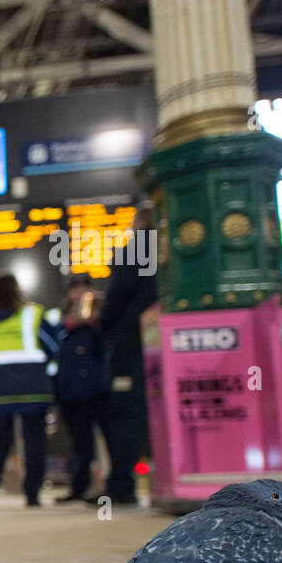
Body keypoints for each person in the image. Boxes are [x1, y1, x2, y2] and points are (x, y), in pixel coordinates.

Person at [0, 273, 59, 507]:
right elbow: (54, 345)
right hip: (34, 389)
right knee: (34, 444)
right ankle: (32, 495)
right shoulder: (33, 314)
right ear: (18, 291)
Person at [96, 201, 159, 507]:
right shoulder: (170, 249)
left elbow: (117, 296)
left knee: (123, 415)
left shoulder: (137, 248)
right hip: (161, 342)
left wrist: (103, 323)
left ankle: (121, 485)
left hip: (129, 343)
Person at [55, 278, 108, 503]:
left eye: (83, 288)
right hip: (70, 390)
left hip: (96, 387)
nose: (78, 293)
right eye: (74, 289)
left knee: (106, 439)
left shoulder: (101, 314)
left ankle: (110, 486)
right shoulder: (60, 321)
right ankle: (79, 486)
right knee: (79, 442)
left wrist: (95, 316)